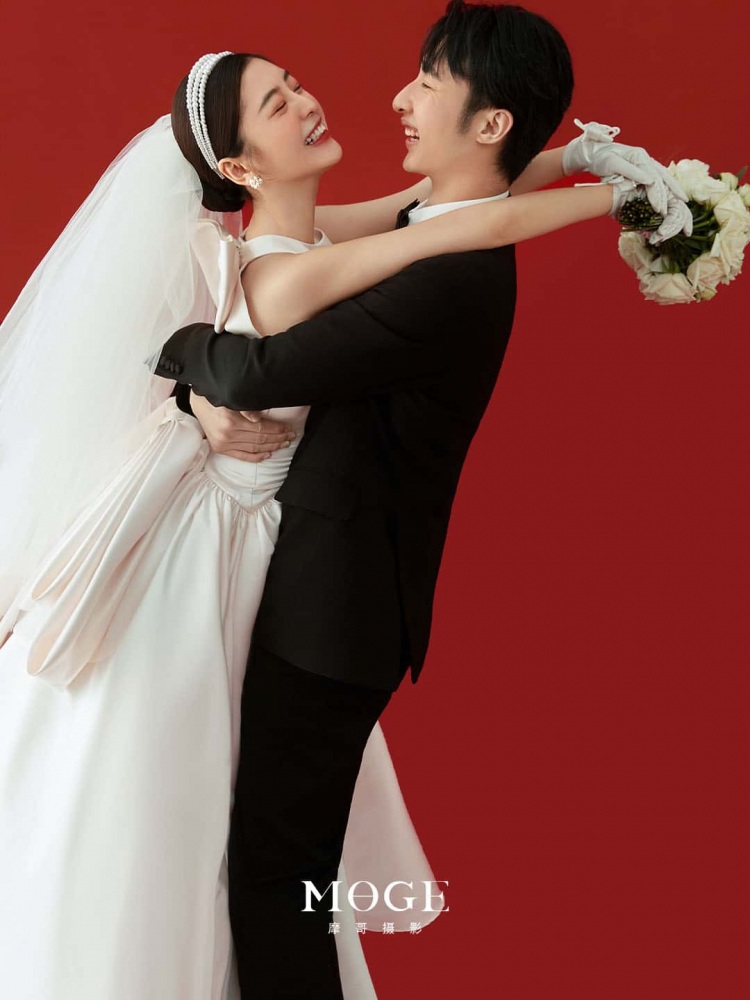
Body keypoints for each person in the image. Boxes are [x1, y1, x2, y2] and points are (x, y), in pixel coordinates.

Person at [0, 8, 689, 1000]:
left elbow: (439, 211)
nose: (312, 102)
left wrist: (578, 159)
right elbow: (463, 221)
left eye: (292, 83)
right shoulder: (299, 264)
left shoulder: (310, 241)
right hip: (224, 558)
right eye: (276, 103)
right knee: (208, 831)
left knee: (249, 850)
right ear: (238, 167)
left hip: (276, 568)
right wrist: (616, 195)